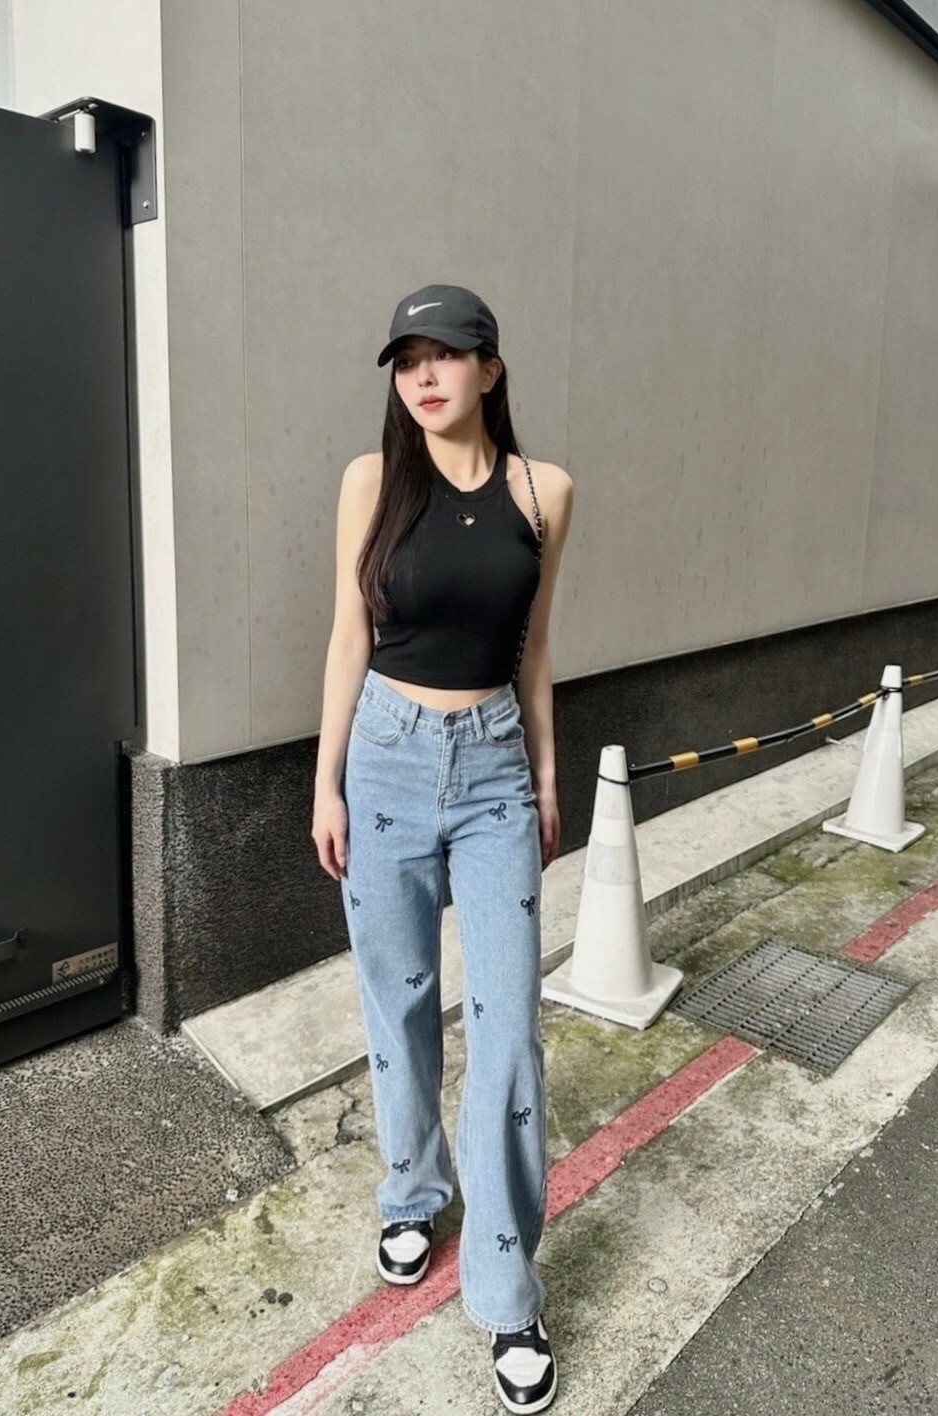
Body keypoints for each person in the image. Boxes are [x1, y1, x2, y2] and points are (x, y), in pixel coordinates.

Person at [312, 283, 574, 1412]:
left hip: (495, 767)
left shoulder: (544, 491)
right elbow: (347, 636)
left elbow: (536, 647)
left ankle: (508, 1293)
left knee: (507, 1026)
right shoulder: (371, 482)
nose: (424, 376)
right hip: (383, 757)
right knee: (401, 998)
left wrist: (547, 779)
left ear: (490, 370)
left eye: (447, 355)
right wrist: (324, 780)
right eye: (407, 359)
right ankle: (414, 1194)